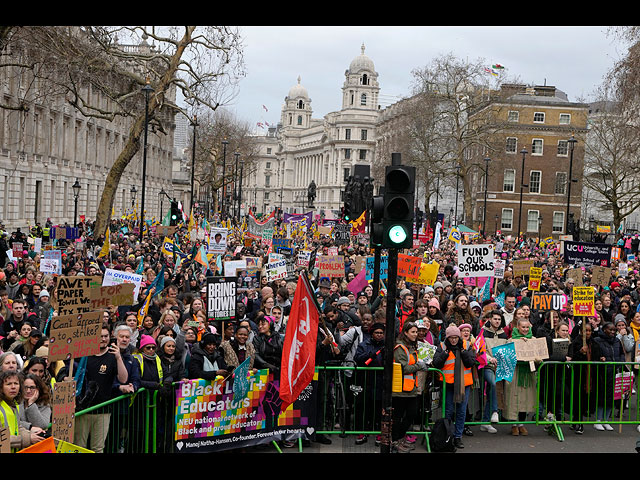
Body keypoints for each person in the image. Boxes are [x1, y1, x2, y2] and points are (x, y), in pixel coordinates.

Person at [67, 325, 129, 453]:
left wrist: (118, 357)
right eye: (100, 336)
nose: (103, 339)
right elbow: (70, 373)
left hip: (103, 410)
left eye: (106, 336)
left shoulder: (113, 356)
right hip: (82, 410)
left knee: (98, 448)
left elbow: (123, 379)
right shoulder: (83, 355)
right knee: (80, 446)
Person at [432, 324, 476, 448]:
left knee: (461, 412)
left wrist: (463, 352)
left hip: (463, 384)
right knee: (448, 411)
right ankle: (447, 435)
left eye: (456, 337)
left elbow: (471, 363)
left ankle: (458, 437)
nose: (454, 340)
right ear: (447, 337)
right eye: (451, 337)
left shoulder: (466, 345)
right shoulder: (442, 346)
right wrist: (445, 354)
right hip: (448, 384)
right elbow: (437, 363)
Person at [391, 321, 427, 453]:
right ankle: (395, 440)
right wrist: (420, 365)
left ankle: (398, 438)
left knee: (411, 414)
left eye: (416, 332)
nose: (415, 334)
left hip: (410, 388)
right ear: (405, 333)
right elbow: (404, 368)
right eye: (413, 332)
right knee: (398, 416)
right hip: (401, 389)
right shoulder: (400, 348)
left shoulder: (412, 347)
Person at [503, 317, 540, 436]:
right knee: (514, 398)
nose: (525, 329)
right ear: (517, 327)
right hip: (515, 372)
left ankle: (521, 424)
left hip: (528, 373)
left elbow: (539, 357)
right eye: (522, 327)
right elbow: (506, 357)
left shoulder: (534, 340)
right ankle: (513, 424)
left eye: (527, 327)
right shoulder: (510, 340)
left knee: (525, 399)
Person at [0, 370, 44, 452]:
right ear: (1, 388)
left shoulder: (13, 404)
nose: (13, 387)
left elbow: (17, 428)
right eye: (9, 384)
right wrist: (28, 438)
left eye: (16, 383)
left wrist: (32, 433)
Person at [593, 321, 625, 431]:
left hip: (615, 373)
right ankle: (598, 420)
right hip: (602, 373)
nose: (612, 332)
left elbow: (622, 353)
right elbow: (594, 355)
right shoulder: (597, 341)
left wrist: (621, 363)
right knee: (601, 397)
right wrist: (600, 358)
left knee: (611, 398)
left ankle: (606, 420)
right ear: (604, 329)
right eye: (610, 330)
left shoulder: (617, 341)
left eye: (614, 330)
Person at [481, 310, 509, 432]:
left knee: (491, 390)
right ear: (490, 319)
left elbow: (507, 348)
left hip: (499, 366)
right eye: (495, 319)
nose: (497, 321)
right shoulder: (483, 332)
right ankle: (494, 411)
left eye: (499, 319)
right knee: (492, 384)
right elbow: (480, 349)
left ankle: (485, 422)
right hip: (486, 365)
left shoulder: (504, 334)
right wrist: (489, 358)